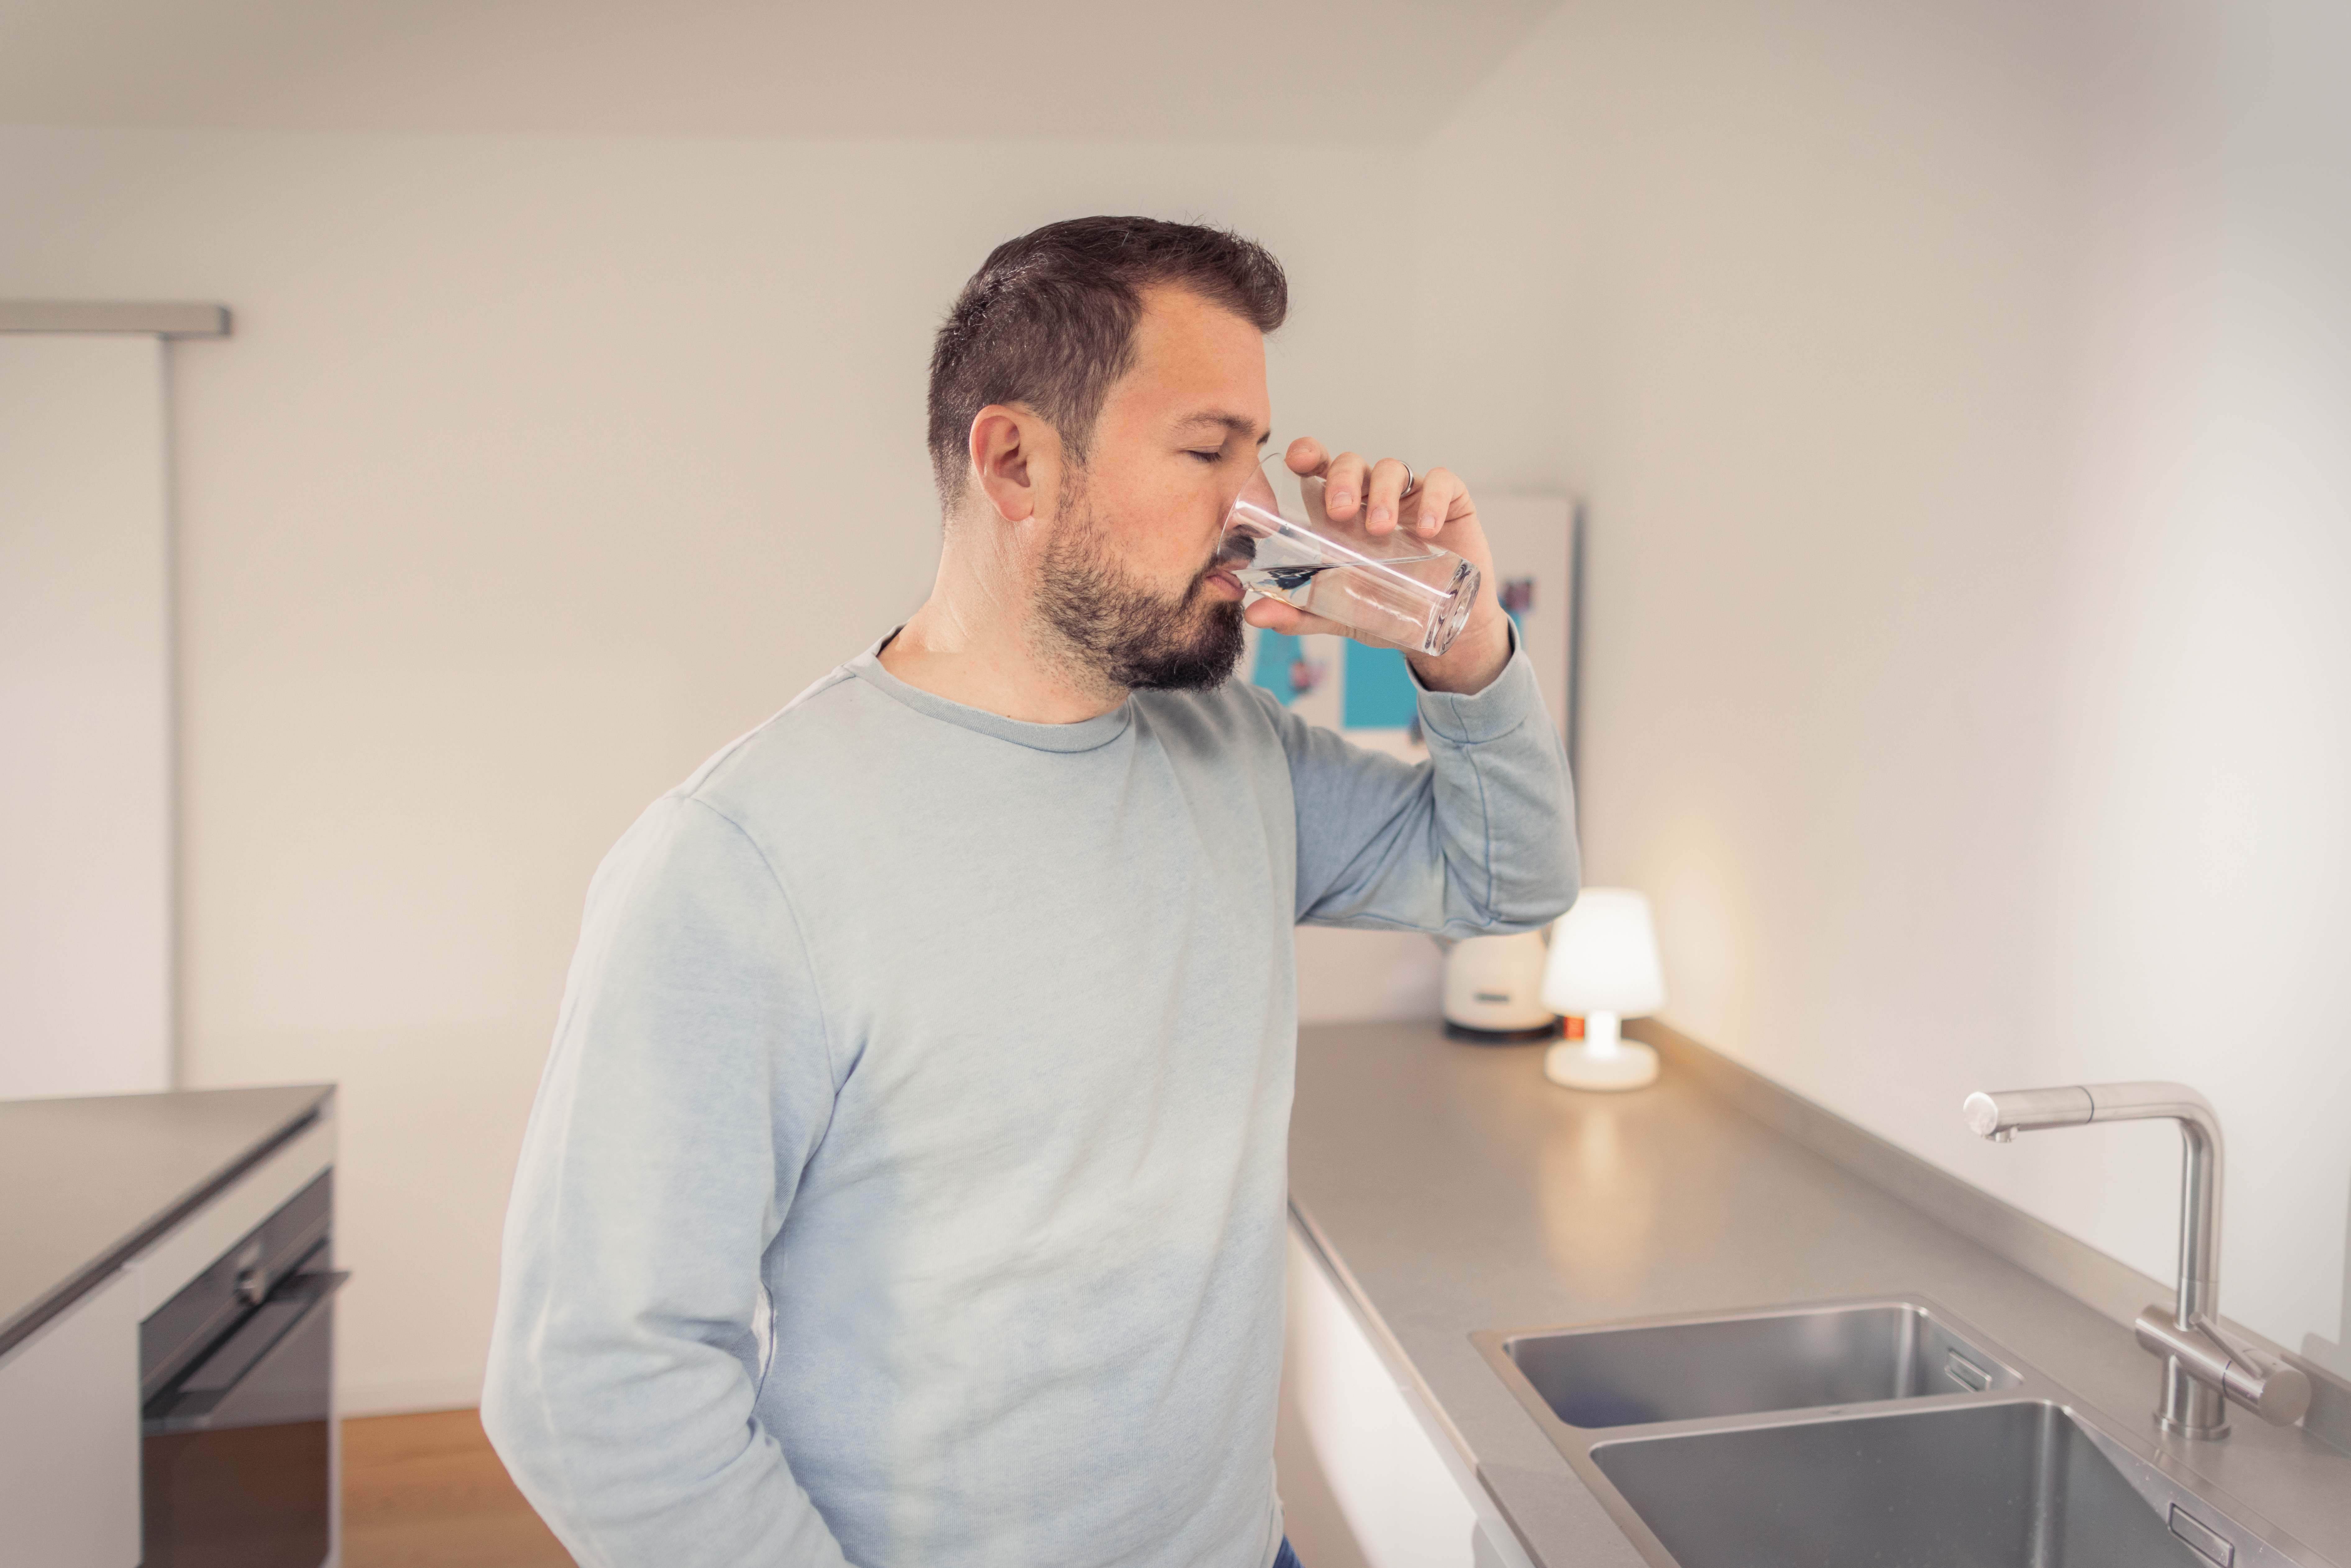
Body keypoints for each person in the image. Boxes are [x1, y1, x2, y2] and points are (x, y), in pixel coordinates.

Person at [482, 215, 1579, 1568]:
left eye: (1258, 456)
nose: (1260, 521)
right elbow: (594, 1385)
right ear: (1014, 460)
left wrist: (1461, 637)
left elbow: (1508, 875)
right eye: (1205, 451)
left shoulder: (1229, 752)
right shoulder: (738, 857)